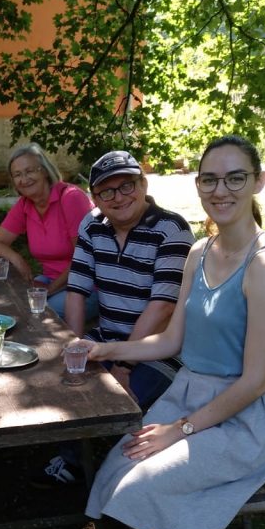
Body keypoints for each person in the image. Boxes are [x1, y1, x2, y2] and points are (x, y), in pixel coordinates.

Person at [84, 135, 265, 529]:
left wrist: (179, 430)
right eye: (210, 179)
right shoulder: (200, 251)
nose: (221, 190)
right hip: (189, 394)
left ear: (257, 181)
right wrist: (107, 350)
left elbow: (255, 380)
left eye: (235, 177)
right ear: (197, 185)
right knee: (114, 472)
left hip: (243, 416)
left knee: (137, 487)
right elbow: (172, 338)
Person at [33, 150, 194, 488]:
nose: (119, 197)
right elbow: (76, 291)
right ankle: (79, 457)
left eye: (127, 186)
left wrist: (124, 364)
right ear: (96, 197)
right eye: (108, 190)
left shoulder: (172, 229)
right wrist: (73, 349)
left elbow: (162, 308)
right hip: (105, 340)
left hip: (160, 352)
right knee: (60, 380)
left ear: (143, 184)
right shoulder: (92, 226)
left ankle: (106, 468)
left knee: (114, 399)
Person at [0, 143, 95, 317]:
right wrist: (17, 258)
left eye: (30, 171)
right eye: (17, 175)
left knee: (39, 313)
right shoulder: (24, 205)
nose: (24, 179)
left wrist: (49, 290)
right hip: (50, 281)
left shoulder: (70, 198)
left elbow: (84, 259)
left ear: (44, 170)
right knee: (8, 304)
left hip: (86, 286)